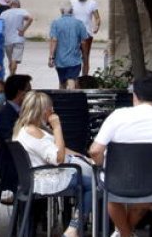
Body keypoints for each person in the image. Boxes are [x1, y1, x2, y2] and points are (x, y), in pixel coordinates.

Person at [90, 72, 152, 237]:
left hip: (115, 181)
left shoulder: (118, 116)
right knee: (147, 192)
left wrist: (101, 164)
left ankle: (125, 234)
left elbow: (95, 151)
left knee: (111, 196)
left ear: (134, 96)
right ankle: (127, 233)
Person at [12, 91, 93, 237]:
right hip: (46, 178)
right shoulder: (34, 132)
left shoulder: (24, 129)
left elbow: (57, 148)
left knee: (89, 176)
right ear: (43, 111)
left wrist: (80, 155)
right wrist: (57, 127)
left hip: (36, 177)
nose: (53, 111)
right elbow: (58, 159)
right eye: (51, 108)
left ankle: (75, 227)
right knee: (94, 184)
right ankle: (73, 229)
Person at [0, 74, 32, 204]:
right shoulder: (4, 114)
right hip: (15, 167)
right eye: (29, 90)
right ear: (21, 93)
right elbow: (12, 143)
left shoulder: (25, 112)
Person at [49, 3, 89, 89]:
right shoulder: (79, 23)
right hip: (74, 60)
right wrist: (85, 55)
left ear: (61, 11)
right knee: (71, 80)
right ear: (72, 11)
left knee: (62, 82)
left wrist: (51, 57)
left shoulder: (55, 23)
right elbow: (83, 42)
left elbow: (54, 40)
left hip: (60, 60)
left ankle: (62, 100)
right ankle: (71, 99)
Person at [65, 0, 101, 76]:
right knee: (73, 57)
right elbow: (66, 16)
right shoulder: (72, 2)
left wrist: (96, 26)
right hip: (73, 34)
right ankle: (73, 77)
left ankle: (84, 78)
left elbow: (97, 17)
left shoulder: (92, 3)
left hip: (86, 34)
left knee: (85, 58)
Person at [0, 0, 34, 76]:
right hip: (18, 39)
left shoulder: (4, 13)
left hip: (7, 40)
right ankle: (12, 75)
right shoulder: (21, 11)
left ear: (10, 5)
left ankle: (11, 75)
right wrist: (23, 30)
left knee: (10, 60)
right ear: (19, 5)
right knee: (15, 60)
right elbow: (30, 18)